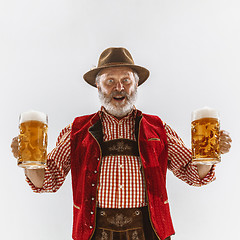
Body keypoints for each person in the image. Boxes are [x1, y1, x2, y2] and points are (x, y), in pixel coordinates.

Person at [11, 47, 232, 240]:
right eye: (110, 81)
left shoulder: (158, 128)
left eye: (126, 80)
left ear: (136, 85)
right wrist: (30, 161)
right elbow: (47, 182)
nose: (119, 88)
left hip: (148, 231)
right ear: (98, 87)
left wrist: (211, 154)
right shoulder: (76, 131)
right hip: (94, 233)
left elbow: (193, 174)